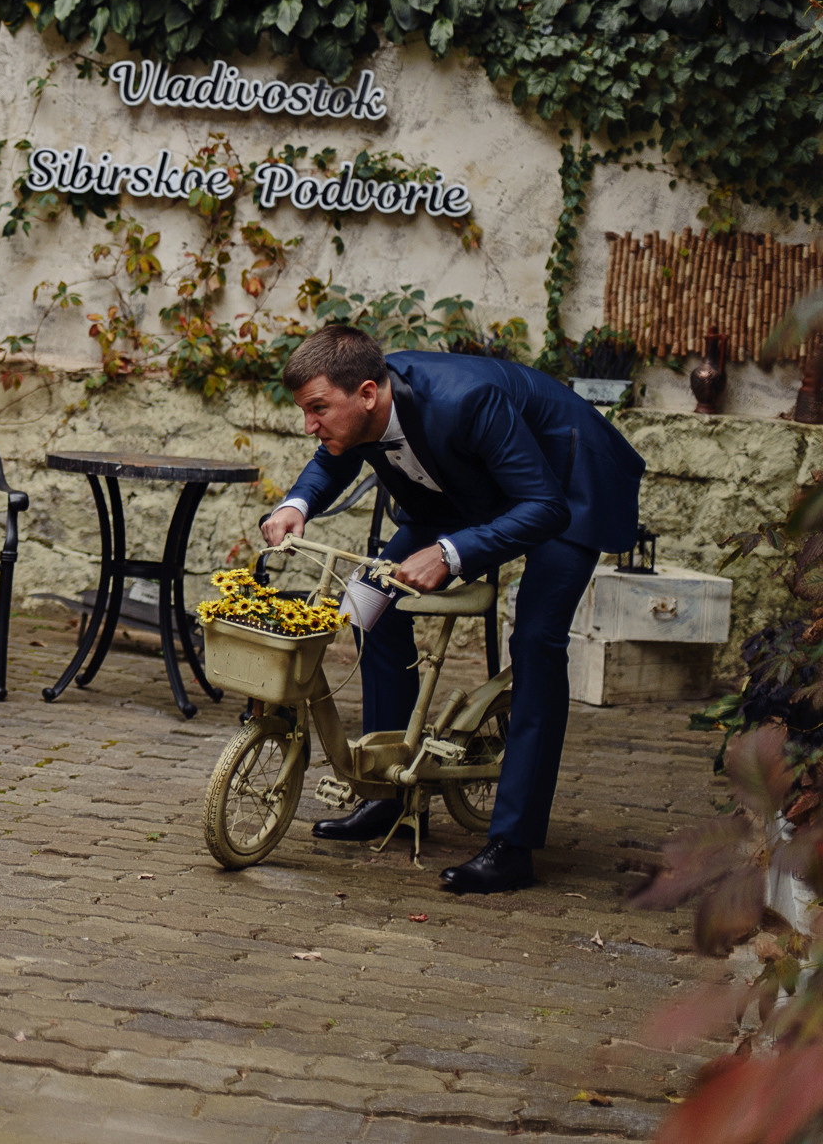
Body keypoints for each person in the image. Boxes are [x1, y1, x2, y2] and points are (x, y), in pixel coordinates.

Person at [261, 326, 645, 894]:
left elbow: (544, 506)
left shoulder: (464, 401)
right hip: (470, 486)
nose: (308, 424)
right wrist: (297, 504)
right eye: (305, 410)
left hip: (566, 484)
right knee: (369, 602)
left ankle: (513, 845)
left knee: (535, 642)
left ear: (367, 394)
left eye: (317, 409)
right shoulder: (362, 404)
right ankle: (388, 792)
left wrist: (449, 553)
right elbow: (334, 455)